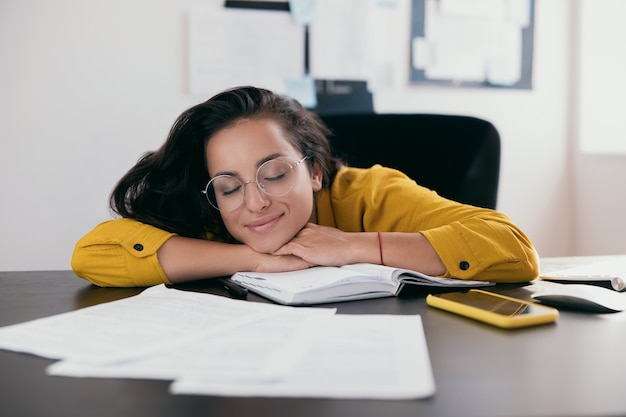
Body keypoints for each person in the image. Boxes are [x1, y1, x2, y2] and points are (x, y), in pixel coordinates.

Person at [72, 86, 539, 287]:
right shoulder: (211, 214)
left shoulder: (369, 193)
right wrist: (257, 259)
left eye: (274, 173)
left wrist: (352, 247)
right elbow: (92, 254)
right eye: (229, 185)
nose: (254, 203)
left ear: (314, 171)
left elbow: (513, 249)